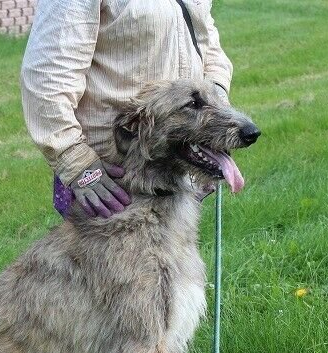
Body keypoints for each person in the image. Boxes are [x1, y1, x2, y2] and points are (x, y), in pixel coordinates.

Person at [21, 0, 233, 218]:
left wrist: (216, 113)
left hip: (176, 163)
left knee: (172, 251)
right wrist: (77, 163)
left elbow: (209, 47)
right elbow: (48, 77)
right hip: (111, 178)